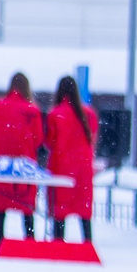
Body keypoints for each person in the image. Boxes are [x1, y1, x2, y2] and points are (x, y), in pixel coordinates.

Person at [0, 72, 47, 247]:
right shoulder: (32, 110)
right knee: (27, 210)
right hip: (24, 169)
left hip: (1, 168)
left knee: (0, 211)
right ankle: (29, 246)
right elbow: (38, 139)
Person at [45, 76, 99, 243]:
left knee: (60, 211)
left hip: (61, 169)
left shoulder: (55, 114)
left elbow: (49, 141)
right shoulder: (89, 114)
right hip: (83, 171)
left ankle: (58, 246)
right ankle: (88, 245)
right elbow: (92, 137)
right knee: (84, 211)